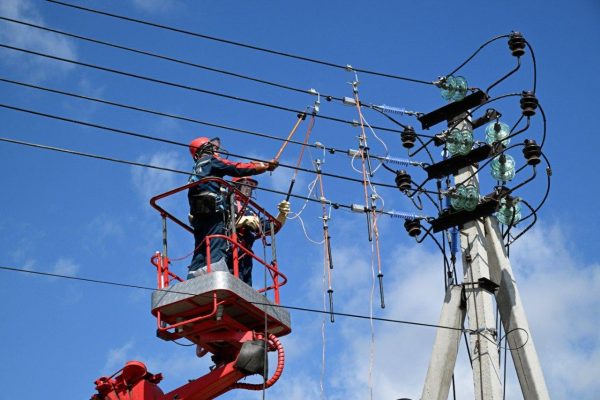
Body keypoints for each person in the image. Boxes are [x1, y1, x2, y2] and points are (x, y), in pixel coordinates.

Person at [187, 136, 278, 279]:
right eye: (213, 148)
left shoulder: (197, 167)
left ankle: (194, 271)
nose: (216, 150)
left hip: (197, 208)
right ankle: (216, 267)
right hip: (211, 205)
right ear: (206, 148)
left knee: (201, 241)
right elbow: (235, 167)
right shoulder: (211, 161)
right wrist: (263, 166)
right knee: (217, 236)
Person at [229, 177, 290, 286]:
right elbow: (217, 222)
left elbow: (269, 227)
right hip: (228, 250)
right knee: (230, 281)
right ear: (236, 186)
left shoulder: (251, 211)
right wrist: (240, 222)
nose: (248, 189)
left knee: (245, 287)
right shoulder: (226, 201)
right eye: (246, 184)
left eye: (251, 186)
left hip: (245, 254)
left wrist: (282, 215)